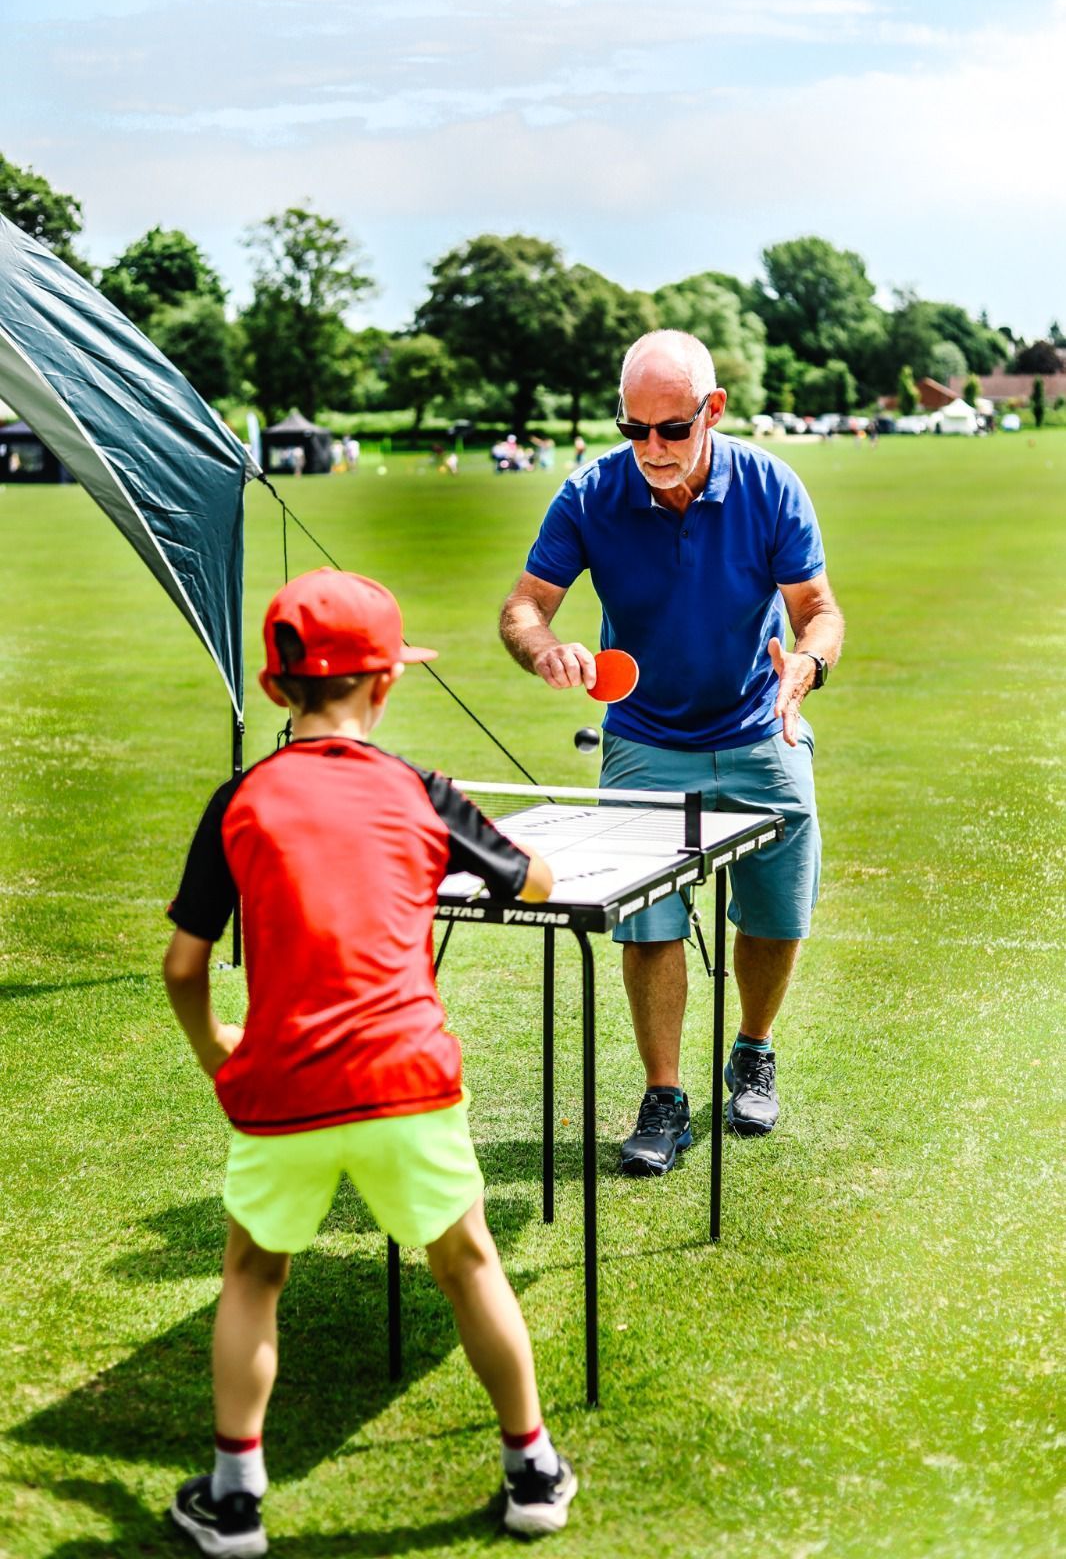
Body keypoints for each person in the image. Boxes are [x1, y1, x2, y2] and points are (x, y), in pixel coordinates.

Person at [164, 568, 577, 1553]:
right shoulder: (421, 791)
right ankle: (531, 1469)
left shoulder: (239, 799)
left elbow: (184, 964)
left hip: (283, 1081)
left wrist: (217, 1048)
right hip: (407, 1075)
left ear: (274, 690)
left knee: (253, 1271)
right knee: (468, 1257)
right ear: (387, 684)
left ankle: (234, 1499)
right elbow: (536, 880)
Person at [499, 330, 844, 1177]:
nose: (650, 447)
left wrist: (808, 663)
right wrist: (544, 648)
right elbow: (522, 608)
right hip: (646, 739)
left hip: (762, 730)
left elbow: (819, 611)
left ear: (712, 411)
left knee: (777, 911)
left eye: (671, 428)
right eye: (633, 429)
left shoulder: (770, 486)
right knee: (645, 920)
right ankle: (664, 1093)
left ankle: (754, 1049)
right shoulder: (589, 495)